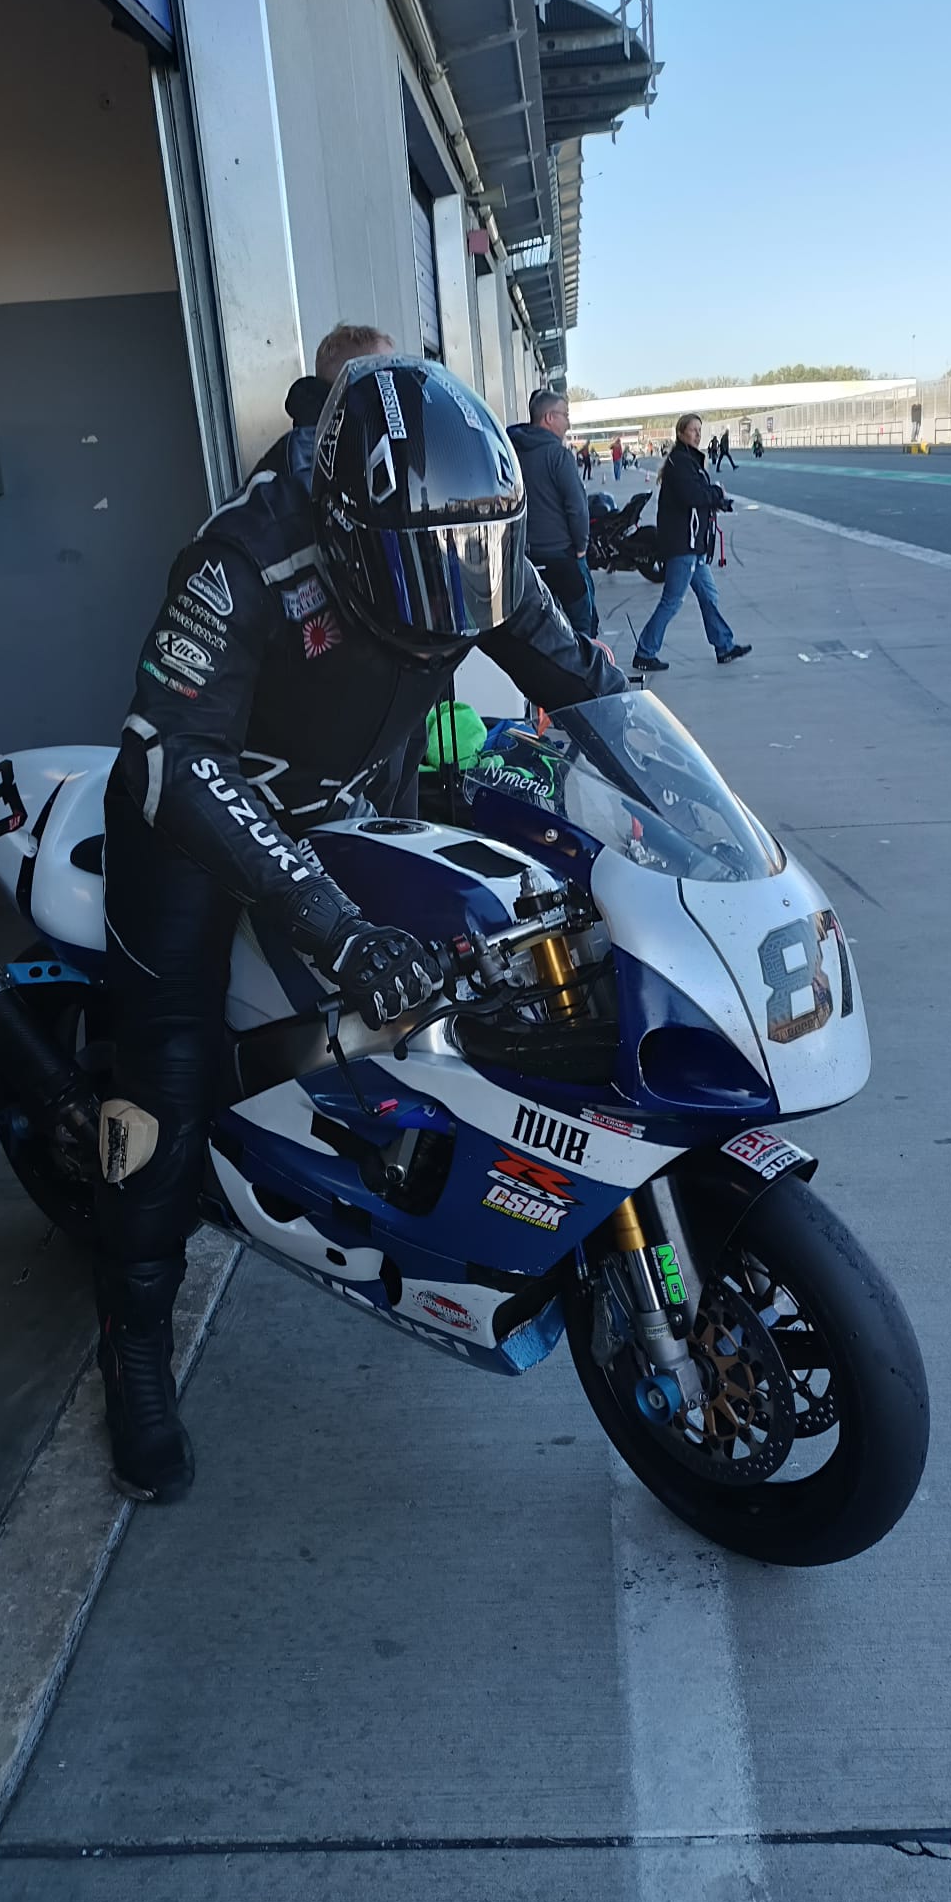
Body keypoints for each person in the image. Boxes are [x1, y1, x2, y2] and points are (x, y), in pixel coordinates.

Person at [97, 332, 624, 1502]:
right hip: (192, 823)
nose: (449, 618)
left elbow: (582, 679)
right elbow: (171, 752)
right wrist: (334, 924)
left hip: (352, 806)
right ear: (340, 525)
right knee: (167, 1076)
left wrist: (689, 813)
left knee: (471, 995)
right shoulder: (241, 556)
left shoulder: (469, 535)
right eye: (419, 589)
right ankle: (132, 1349)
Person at [632, 414, 752, 674]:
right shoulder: (680, 462)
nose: (698, 435)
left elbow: (696, 499)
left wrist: (720, 502)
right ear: (681, 433)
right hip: (682, 545)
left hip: (692, 544)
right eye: (693, 430)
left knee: (709, 595)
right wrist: (717, 493)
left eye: (699, 430)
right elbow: (693, 496)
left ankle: (724, 646)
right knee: (672, 601)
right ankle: (644, 652)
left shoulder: (687, 461)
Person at [508, 390, 599, 637]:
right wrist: (581, 546)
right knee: (584, 624)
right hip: (561, 555)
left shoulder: (510, 453)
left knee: (534, 631)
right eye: (565, 415)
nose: (568, 423)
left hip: (524, 559)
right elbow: (577, 507)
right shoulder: (558, 455)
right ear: (549, 417)